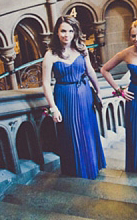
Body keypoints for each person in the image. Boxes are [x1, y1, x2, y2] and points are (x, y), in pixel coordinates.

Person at [42, 15, 106, 179]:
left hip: (85, 94)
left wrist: (98, 92)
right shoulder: (50, 55)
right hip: (64, 97)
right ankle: (76, 170)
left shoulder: (81, 48)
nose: (67, 35)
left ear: (75, 32)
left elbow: (90, 71)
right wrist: (53, 107)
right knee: (71, 134)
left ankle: (92, 165)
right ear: (57, 32)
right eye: (63, 31)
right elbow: (46, 83)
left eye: (71, 31)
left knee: (87, 130)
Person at [100, 19, 137, 175]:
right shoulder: (126, 53)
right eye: (133, 36)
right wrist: (119, 90)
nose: (136, 39)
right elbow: (104, 70)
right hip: (135, 98)